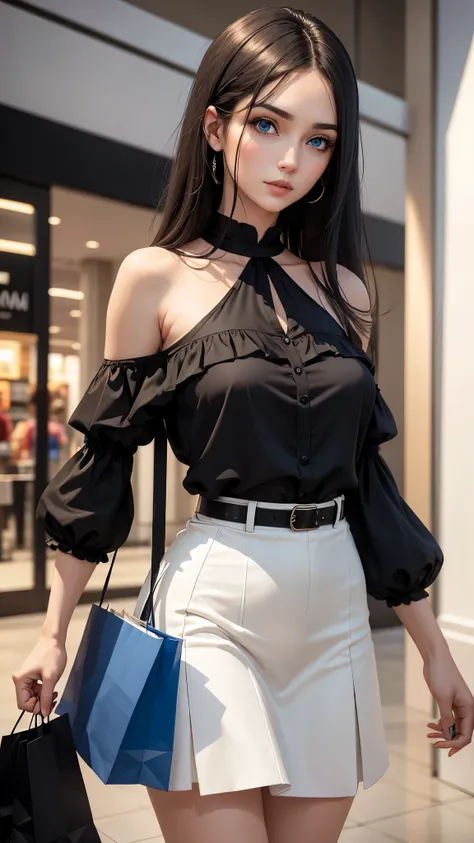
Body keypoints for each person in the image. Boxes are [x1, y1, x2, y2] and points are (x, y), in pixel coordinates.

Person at [11, 8, 474, 843]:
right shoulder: (156, 277)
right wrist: (53, 632)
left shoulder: (346, 291)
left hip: (333, 610)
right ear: (217, 126)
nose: (292, 161)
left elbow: (366, 483)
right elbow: (104, 463)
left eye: (320, 140)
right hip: (213, 604)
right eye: (269, 125)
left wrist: (435, 649)